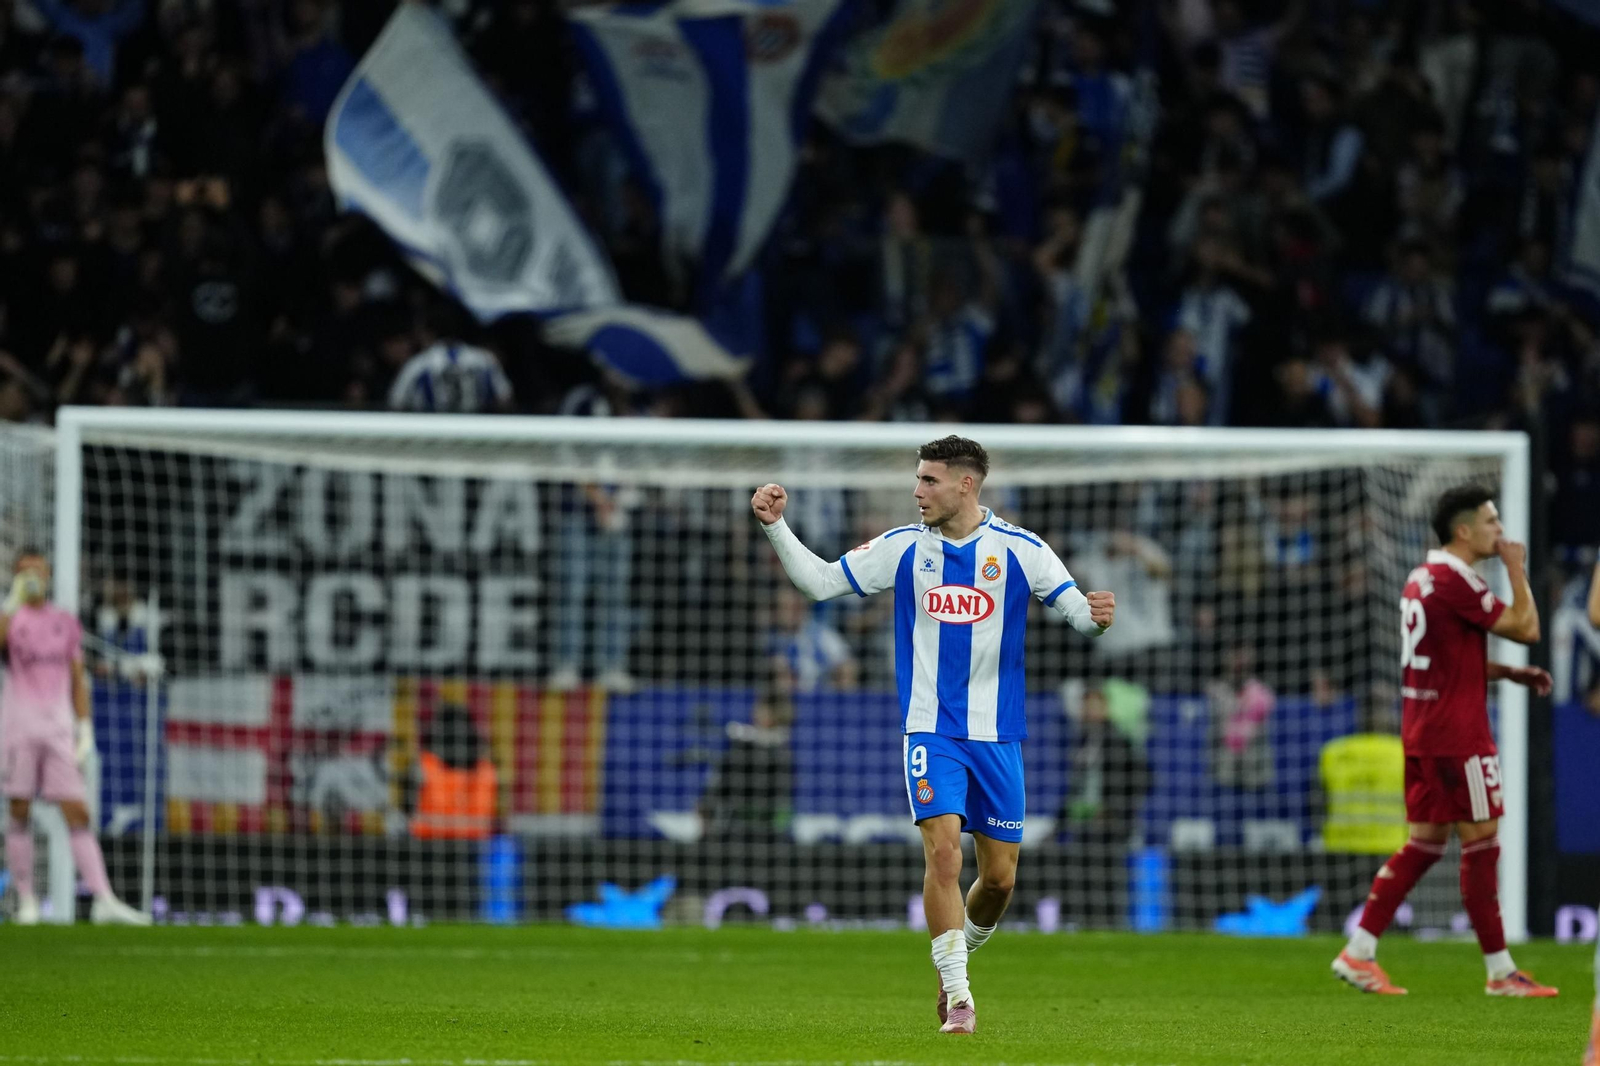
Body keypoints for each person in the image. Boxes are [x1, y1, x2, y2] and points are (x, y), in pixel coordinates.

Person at [751, 435, 1115, 1034]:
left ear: (965, 485)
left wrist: (1096, 619)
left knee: (999, 880)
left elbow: (1076, 611)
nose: (916, 491)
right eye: (917, 479)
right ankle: (960, 998)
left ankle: (954, 961)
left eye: (928, 480)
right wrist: (775, 527)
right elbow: (819, 583)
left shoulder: (1021, 549)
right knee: (944, 855)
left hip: (997, 734)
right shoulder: (902, 547)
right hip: (930, 729)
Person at [1332, 486, 1554, 997]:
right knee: (1483, 844)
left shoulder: (1422, 577)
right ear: (1464, 530)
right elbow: (1526, 627)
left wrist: (1507, 673)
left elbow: (1445, 657)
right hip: (1457, 735)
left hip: (1422, 730)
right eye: (1491, 521)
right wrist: (1516, 568)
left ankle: (1359, 951)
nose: (1500, 530)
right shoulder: (1457, 578)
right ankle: (1501, 973)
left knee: (1425, 844)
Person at [1, 550, 147, 924]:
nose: (32, 577)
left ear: (48, 574)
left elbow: (77, 677)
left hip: (59, 730)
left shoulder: (64, 622)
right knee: (19, 809)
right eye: (24, 572)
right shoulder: (10, 618)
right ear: (15, 576)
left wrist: (85, 727)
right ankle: (27, 902)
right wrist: (10, 605)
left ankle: (103, 899)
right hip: (18, 729)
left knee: (78, 810)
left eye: (36, 570)